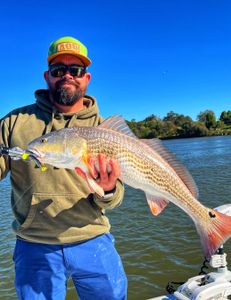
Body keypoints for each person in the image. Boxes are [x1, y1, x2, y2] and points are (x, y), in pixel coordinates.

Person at [0, 36, 127, 300]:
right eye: (59, 70)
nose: (67, 76)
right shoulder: (14, 122)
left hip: (93, 239)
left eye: (76, 70)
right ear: (47, 76)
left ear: (86, 78)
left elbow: (114, 200)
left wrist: (108, 189)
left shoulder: (106, 131)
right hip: (34, 244)